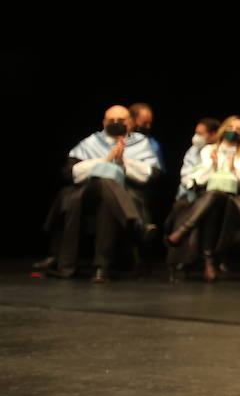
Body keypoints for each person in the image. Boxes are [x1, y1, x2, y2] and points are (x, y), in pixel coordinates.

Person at [42, 105, 162, 282]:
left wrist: (122, 162)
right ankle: (137, 223)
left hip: (125, 191)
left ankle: (101, 268)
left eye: (120, 121)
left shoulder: (141, 143)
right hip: (88, 191)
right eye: (111, 120)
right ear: (104, 122)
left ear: (130, 122)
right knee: (101, 180)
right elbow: (71, 171)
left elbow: (149, 175)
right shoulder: (91, 142)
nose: (115, 124)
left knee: (107, 194)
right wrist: (105, 161)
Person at [166, 115, 240, 282]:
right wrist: (213, 165)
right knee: (212, 202)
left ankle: (183, 230)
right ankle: (209, 261)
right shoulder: (208, 151)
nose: (233, 132)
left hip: (234, 201)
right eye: (230, 128)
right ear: (223, 129)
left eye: (238, 130)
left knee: (214, 197)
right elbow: (197, 179)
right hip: (209, 198)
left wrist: (234, 170)